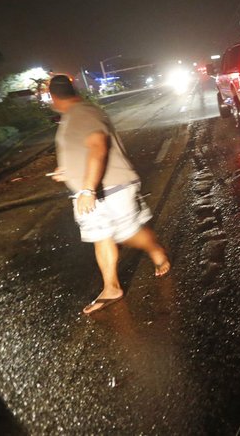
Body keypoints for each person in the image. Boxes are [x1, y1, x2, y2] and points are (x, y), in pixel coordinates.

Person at [48, 74, 170, 314]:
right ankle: (111, 288)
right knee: (100, 237)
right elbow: (84, 150)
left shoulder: (82, 113)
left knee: (126, 235)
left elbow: (98, 146)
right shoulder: (73, 116)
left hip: (109, 188)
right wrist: (68, 171)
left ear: (53, 97)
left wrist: (87, 189)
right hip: (92, 192)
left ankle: (155, 249)